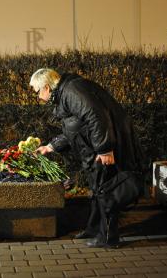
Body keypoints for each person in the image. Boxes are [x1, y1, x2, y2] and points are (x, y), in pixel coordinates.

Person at [30, 68, 144, 248]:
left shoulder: (71, 91)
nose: (38, 97)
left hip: (100, 151)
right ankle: (93, 228)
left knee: (106, 191)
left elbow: (96, 116)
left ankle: (107, 237)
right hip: (93, 151)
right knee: (97, 190)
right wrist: (50, 147)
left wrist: (105, 149)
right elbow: (74, 129)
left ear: (46, 87)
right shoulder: (66, 94)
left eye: (37, 92)